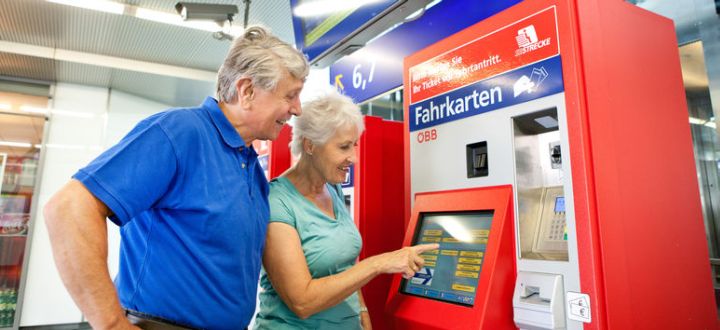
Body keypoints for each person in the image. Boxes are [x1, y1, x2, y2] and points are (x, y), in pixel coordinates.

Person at [43, 26, 309, 330]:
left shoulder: (248, 164)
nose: (297, 109)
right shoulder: (180, 132)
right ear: (247, 91)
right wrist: (112, 323)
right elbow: (68, 208)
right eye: (291, 95)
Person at [253, 90, 438, 329]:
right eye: (343, 147)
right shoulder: (277, 202)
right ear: (310, 146)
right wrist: (379, 263)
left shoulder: (332, 188)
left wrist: (361, 310)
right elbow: (302, 301)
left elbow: (344, 263)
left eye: (355, 145)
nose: (354, 158)